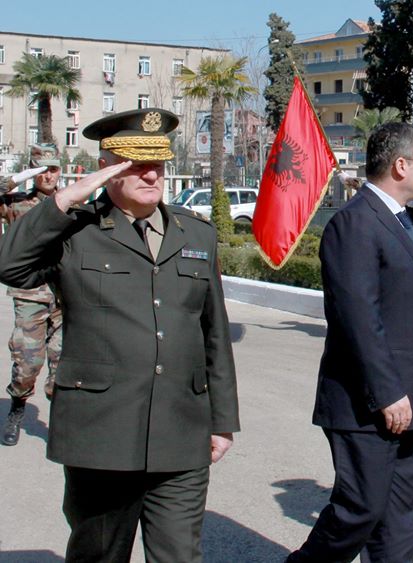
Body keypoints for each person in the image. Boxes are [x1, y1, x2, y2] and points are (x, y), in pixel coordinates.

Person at [0, 108, 240, 561]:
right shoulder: (76, 231)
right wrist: (65, 199)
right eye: (136, 164)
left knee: (179, 556)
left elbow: (214, 332)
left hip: (181, 430)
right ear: (108, 169)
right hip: (102, 434)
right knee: (99, 555)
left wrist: (221, 419)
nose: (152, 175)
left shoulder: (197, 234)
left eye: (160, 164)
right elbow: (9, 264)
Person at [288, 122, 413, 561]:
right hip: (370, 403)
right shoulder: (355, 223)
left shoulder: (399, 219)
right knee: (360, 509)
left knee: (398, 517)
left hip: (411, 401)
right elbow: (358, 316)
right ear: (400, 165)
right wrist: (388, 391)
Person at [0, 145, 64, 446]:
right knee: (27, 362)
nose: (49, 175)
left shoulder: (72, 203)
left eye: (54, 168)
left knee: (63, 363)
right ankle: (17, 406)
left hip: (66, 296)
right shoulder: (17, 204)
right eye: (43, 169)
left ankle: (61, 423)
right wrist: (21, 177)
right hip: (31, 293)